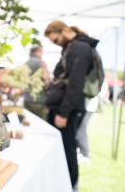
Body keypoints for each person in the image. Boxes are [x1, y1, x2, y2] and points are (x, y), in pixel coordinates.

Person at [44, 21, 96, 190]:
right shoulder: (71, 47)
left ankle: (70, 187)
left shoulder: (79, 48)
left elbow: (76, 84)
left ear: (64, 31)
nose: (56, 44)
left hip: (67, 110)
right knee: (61, 149)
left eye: (55, 40)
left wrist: (64, 113)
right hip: (61, 107)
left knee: (67, 151)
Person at [24, 45, 50, 120]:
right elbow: (46, 80)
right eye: (41, 51)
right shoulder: (41, 63)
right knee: (41, 124)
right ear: (38, 51)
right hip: (39, 100)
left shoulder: (26, 63)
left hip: (27, 99)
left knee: (29, 122)